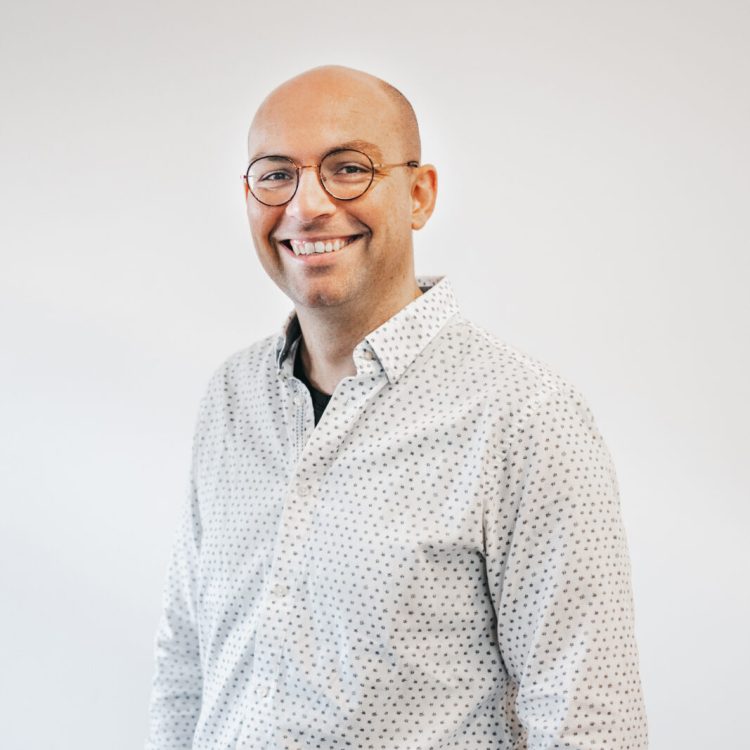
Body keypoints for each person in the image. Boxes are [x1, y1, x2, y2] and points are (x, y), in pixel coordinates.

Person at [146, 65, 648, 749]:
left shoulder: (525, 417)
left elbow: (589, 722)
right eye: (276, 174)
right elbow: (186, 660)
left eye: (348, 169)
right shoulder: (232, 398)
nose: (307, 205)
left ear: (419, 194)